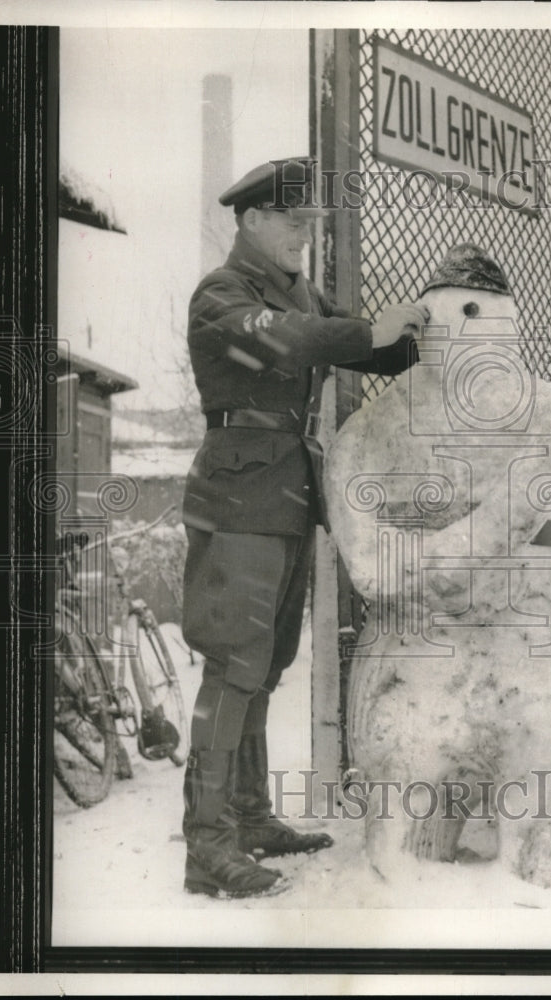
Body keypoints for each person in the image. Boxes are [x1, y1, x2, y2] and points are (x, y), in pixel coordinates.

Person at [180, 158, 426, 898]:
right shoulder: (221, 295)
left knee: (268, 661)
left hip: (284, 495)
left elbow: (354, 342)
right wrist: (357, 329)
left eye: (313, 226)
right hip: (236, 497)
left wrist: (422, 334)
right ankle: (207, 844)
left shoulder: (296, 292)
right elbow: (289, 339)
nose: (305, 238)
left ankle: (250, 816)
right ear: (252, 221)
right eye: (294, 224)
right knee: (233, 665)